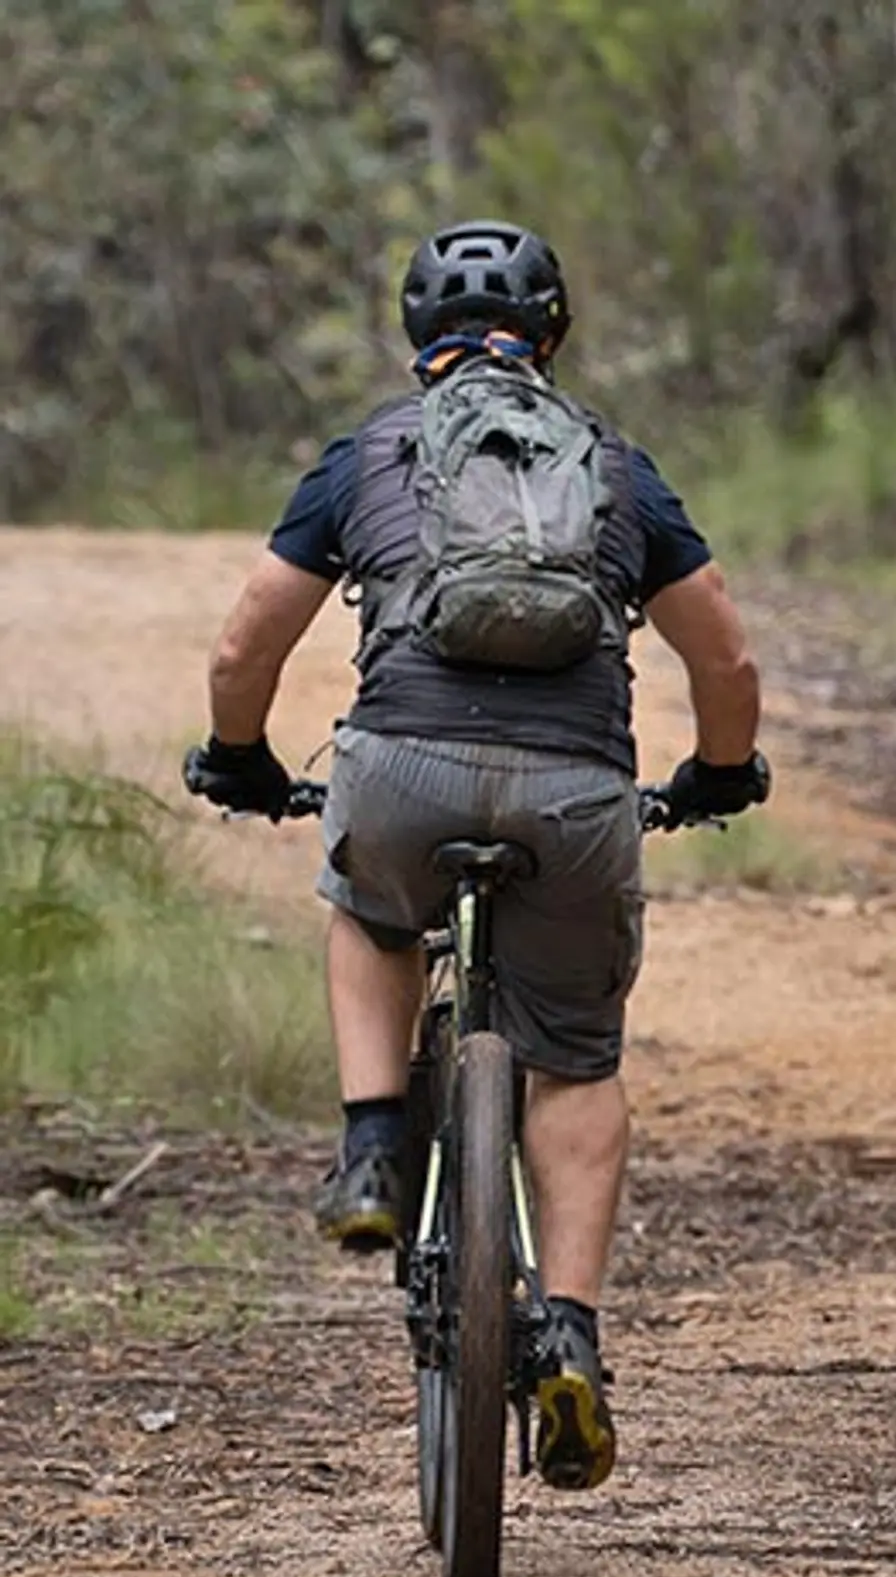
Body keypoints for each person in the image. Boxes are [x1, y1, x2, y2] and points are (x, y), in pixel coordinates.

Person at [183, 220, 770, 1488]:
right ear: (552, 334)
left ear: (416, 335)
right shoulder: (616, 466)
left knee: (369, 908)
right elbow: (722, 655)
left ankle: (370, 1149)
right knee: (575, 1059)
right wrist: (720, 772)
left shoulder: (367, 456)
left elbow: (245, 645)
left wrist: (240, 757)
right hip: (575, 794)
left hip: (401, 771)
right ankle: (568, 1331)